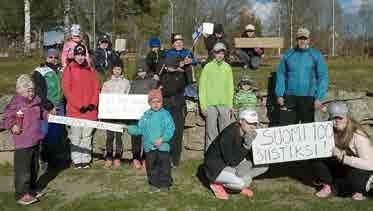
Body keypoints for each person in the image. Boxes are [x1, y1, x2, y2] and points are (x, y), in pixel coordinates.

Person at [1, 74, 51, 205]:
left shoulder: (36, 101)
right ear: (19, 91)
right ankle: (21, 194)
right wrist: (13, 126)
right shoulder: (15, 103)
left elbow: (42, 113)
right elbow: (6, 119)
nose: (31, 93)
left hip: (35, 139)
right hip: (22, 143)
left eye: (33, 90)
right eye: (28, 90)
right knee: (23, 170)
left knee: (34, 167)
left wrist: (48, 114)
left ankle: (32, 189)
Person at [312, 102, 373, 200]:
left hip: (361, 170)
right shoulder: (328, 130)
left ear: (347, 118)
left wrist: (343, 157)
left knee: (354, 178)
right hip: (343, 164)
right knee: (316, 158)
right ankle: (327, 185)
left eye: (340, 118)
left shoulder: (358, 136)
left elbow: (370, 164)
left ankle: (356, 189)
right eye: (334, 118)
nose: (337, 121)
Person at [203, 109, 268, 200]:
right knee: (243, 182)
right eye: (249, 123)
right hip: (216, 167)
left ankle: (236, 180)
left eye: (254, 124)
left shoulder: (246, 132)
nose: (252, 126)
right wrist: (246, 146)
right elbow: (232, 161)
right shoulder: (228, 134)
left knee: (263, 166)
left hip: (232, 162)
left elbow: (244, 155)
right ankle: (216, 183)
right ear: (241, 121)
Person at [275, 27, 329, 126]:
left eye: (304, 38)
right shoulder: (288, 54)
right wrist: (279, 94)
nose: (302, 41)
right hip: (290, 97)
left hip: (308, 98)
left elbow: (323, 77)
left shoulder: (316, 55)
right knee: (288, 128)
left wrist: (319, 97)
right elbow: (281, 74)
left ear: (308, 39)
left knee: (307, 130)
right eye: (300, 38)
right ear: (296, 39)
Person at [127, 89, 175, 192]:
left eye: (158, 101)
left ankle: (164, 184)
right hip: (149, 147)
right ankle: (153, 184)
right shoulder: (146, 115)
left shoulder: (166, 115)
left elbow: (170, 129)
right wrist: (130, 129)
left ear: (162, 102)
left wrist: (163, 139)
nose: (156, 104)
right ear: (149, 103)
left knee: (164, 167)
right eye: (153, 102)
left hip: (163, 146)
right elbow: (140, 129)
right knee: (151, 167)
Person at [161, 33, 197, 167]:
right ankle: (166, 157)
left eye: (181, 41)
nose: (179, 43)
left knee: (177, 131)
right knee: (167, 131)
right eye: (176, 41)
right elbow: (165, 64)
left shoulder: (187, 54)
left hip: (179, 100)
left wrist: (188, 62)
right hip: (167, 101)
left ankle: (175, 160)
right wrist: (176, 64)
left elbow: (194, 62)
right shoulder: (168, 55)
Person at [62, 43, 100, 169]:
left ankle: (86, 159)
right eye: (78, 55)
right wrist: (79, 105)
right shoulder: (69, 69)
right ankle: (77, 160)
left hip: (89, 110)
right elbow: (67, 90)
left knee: (87, 136)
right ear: (74, 55)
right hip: (75, 110)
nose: (80, 57)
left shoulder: (90, 70)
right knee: (76, 136)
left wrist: (92, 104)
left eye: (82, 55)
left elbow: (96, 88)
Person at [32, 48, 65, 170]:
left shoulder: (61, 70)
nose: (53, 59)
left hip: (60, 105)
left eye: (56, 57)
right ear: (46, 58)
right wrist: (49, 106)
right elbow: (38, 91)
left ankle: (54, 161)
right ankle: (44, 159)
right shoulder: (39, 71)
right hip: (47, 107)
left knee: (57, 134)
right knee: (46, 133)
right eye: (50, 57)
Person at [199, 42, 234, 152]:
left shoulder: (227, 67)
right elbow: (202, 88)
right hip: (210, 105)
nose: (220, 55)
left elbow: (230, 87)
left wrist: (230, 105)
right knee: (211, 132)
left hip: (225, 104)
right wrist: (203, 106)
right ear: (214, 53)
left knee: (226, 131)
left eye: (222, 53)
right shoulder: (207, 67)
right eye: (218, 52)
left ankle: (225, 154)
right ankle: (210, 156)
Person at [101, 61, 130, 168]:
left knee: (118, 136)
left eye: (119, 69)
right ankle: (109, 157)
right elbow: (103, 98)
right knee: (109, 136)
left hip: (120, 113)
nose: (117, 71)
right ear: (112, 70)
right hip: (109, 113)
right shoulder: (107, 83)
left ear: (121, 70)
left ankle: (117, 157)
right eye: (115, 69)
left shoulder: (126, 82)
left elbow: (128, 96)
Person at [129, 60, 158, 169]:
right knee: (135, 136)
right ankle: (136, 158)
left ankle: (146, 158)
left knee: (147, 137)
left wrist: (156, 80)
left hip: (148, 114)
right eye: (139, 71)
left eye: (143, 71)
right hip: (135, 114)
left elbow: (155, 94)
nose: (141, 73)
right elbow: (129, 97)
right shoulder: (133, 83)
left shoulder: (152, 81)